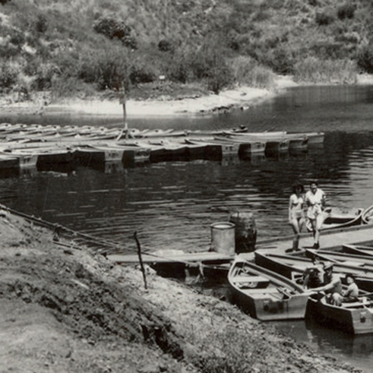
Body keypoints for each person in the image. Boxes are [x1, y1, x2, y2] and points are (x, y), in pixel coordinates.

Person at [305, 180, 326, 249]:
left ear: (317, 187)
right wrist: (311, 208)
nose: (313, 189)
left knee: (318, 228)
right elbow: (307, 203)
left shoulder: (321, 192)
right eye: (312, 188)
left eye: (315, 187)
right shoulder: (307, 194)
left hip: (319, 209)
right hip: (312, 210)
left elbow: (324, 201)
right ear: (310, 188)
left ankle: (315, 243)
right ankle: (317, 242)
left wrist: (322, 206)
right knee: (314, 228)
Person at [288, 181, 305, 251]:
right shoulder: (292, 197)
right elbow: (289, 207)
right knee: (297, 233)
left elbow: (302, 208)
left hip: (300, 216)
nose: (298, 190)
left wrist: (304, 217)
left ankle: (296, 247)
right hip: (294, 216)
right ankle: (293, 249)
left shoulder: (302, 196)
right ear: (295, 189)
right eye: (297, 188)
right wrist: (289, 218)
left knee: (299, 234)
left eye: (299, 188)